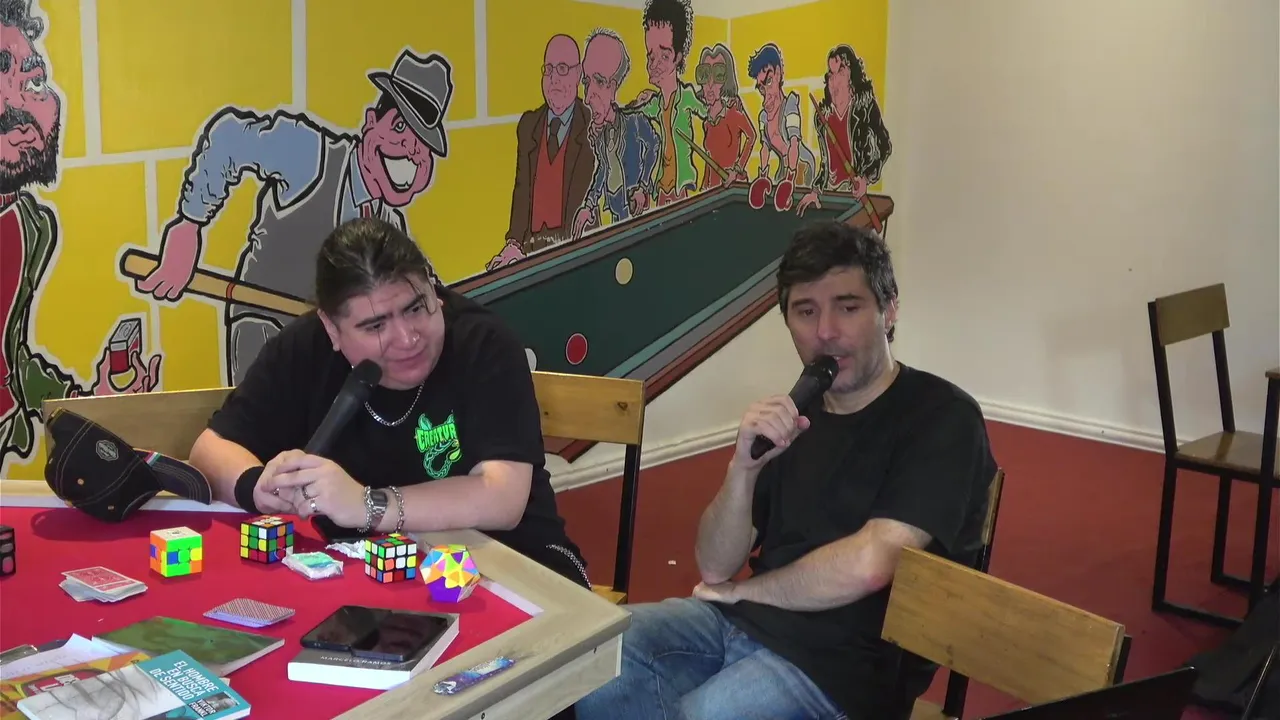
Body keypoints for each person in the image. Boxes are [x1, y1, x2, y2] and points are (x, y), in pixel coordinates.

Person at [575, 222, 998, 720]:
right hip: (742, 624)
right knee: (600, 654)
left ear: (889, 311)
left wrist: (743, 592)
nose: (826, 331)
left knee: (701, 715)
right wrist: (742, 469)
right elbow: (714, 566)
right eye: (806, 311)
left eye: (848, 307)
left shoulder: (942, 416)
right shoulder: (800, 413)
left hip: (847, 669)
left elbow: (871, 563)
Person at [187, 217, 591, 595]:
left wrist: (366, 504)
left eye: (416, 307)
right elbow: (210, 449)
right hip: (373, 580)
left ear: (432, 287)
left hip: (514, 564)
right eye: (376, 325)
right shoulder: (303, 349)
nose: (408, 338)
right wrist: (257, 487)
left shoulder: (483, 343)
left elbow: (502, 498)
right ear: (332, 328)